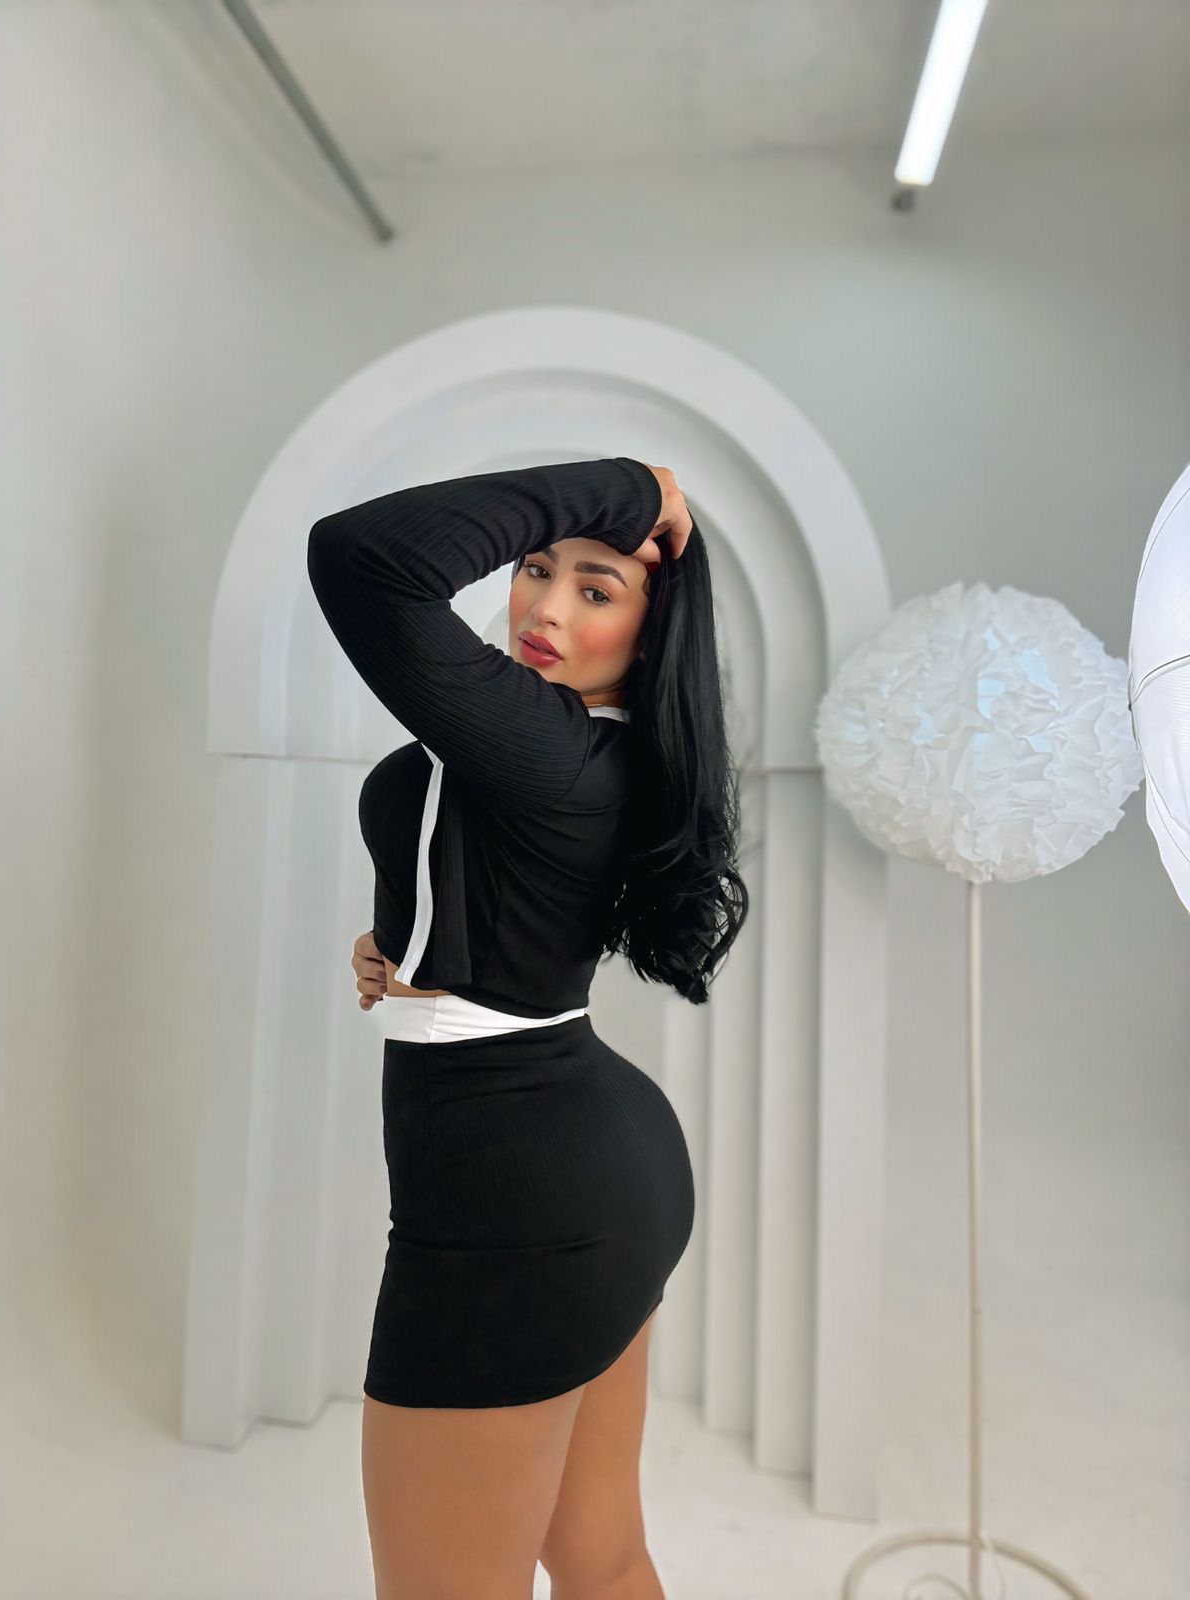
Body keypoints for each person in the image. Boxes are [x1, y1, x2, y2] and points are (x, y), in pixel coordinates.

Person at [307, 455, 749, 1599]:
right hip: (593, 1169)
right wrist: (409, 943)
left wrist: (633, 487)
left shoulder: (553, 750)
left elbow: (364, 556)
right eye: (533, 568)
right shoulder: (572, 747)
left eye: (598, 588)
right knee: (605, 1560)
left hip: (514, 1203)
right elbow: (485, 863)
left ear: (651, 634)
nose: (545, 608)